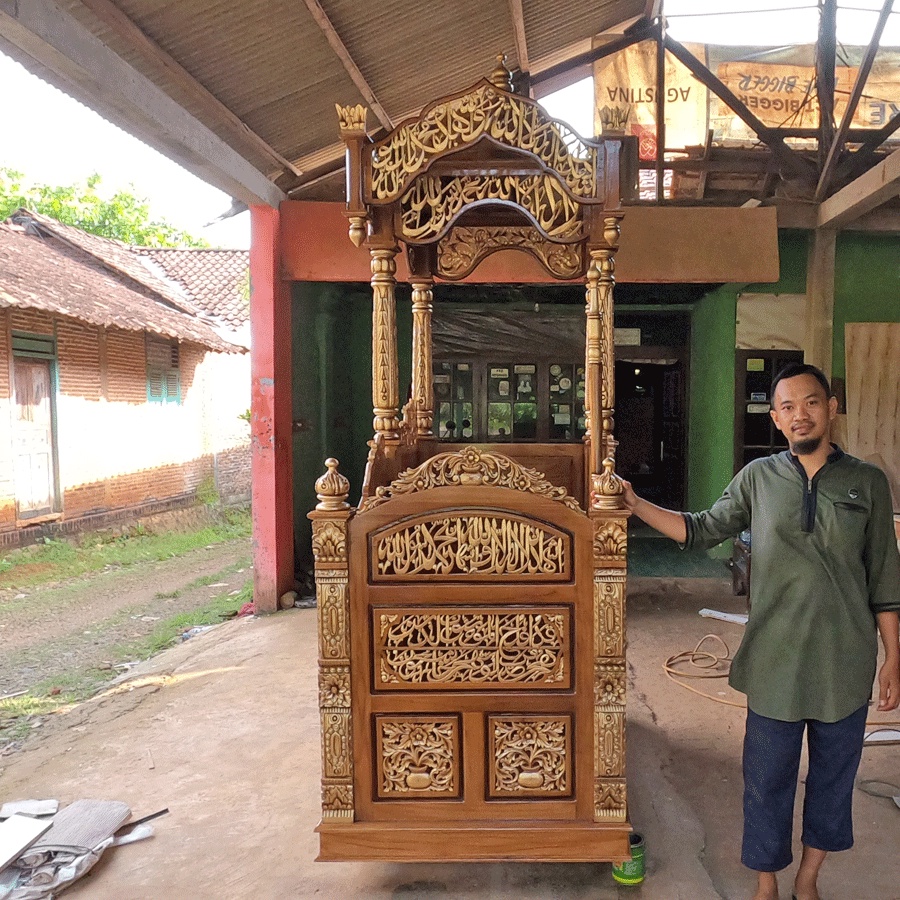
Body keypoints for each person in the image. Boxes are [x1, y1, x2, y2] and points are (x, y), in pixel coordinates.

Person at [619, 363, 900, 900]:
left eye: (811, 402)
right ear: (775, 418)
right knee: (766, 782)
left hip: (845, 661)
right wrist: (635, 505)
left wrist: (893, 656)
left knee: (832, 782)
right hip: (774, 660)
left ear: (831, 407)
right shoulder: (758, 478)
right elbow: (701, 529)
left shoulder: (865, 482)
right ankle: (766, 880)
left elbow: (885, 576)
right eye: (788, 407)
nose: (800, 415)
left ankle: (809, 878)